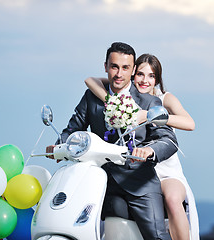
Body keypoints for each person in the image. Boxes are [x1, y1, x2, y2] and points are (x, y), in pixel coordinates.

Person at [46, 42, 178, 240]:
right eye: (114, 66)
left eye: (125, 68)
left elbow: (168, 140)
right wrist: (60, 144)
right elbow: (74, 127)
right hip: (100, 181)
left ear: (133, 70)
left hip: (139, 183)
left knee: (157, 236)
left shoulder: (148, 102)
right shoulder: (92, 97)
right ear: (105, 66)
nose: (119, 73)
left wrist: (149, 151)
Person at [85, 53, 200, 240]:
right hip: (138, 169)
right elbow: (90, 80)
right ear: (132, 74)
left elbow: (190, 123)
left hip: (164, 170)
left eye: (152, 76)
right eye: (140, 74)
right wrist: (111, 100)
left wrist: (148, 115)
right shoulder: (124, 98)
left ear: (157, 79)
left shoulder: (164, 98)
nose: (145, 80)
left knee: (171, 199)